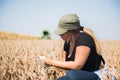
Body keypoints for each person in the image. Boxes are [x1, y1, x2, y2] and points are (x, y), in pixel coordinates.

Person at [37, 14, 105, 80]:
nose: (59, 35)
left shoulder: (84, 39)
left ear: (71, 31)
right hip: (78, 77)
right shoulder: (67, 43)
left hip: (95, 75)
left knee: (72, 75)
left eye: (62, 32)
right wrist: (45, 61)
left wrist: (48, 61)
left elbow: (77, 66)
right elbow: (64, 63)